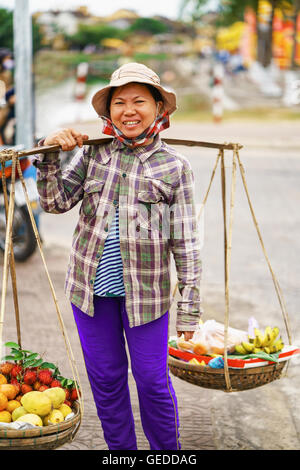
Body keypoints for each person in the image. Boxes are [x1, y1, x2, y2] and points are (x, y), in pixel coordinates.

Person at [33, 62, 202, 450]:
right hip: (90, 294)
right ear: (107, 113)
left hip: (148, 297)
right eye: (119, 102)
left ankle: (167, 453)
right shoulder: (94, 157)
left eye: (140, 101)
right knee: (106, 381)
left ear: (159, 108)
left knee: (152, 381)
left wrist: (189, 307)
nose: (129, 110)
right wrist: (50, 152)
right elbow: (55, 202)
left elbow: (187, 242)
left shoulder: (175, 167)